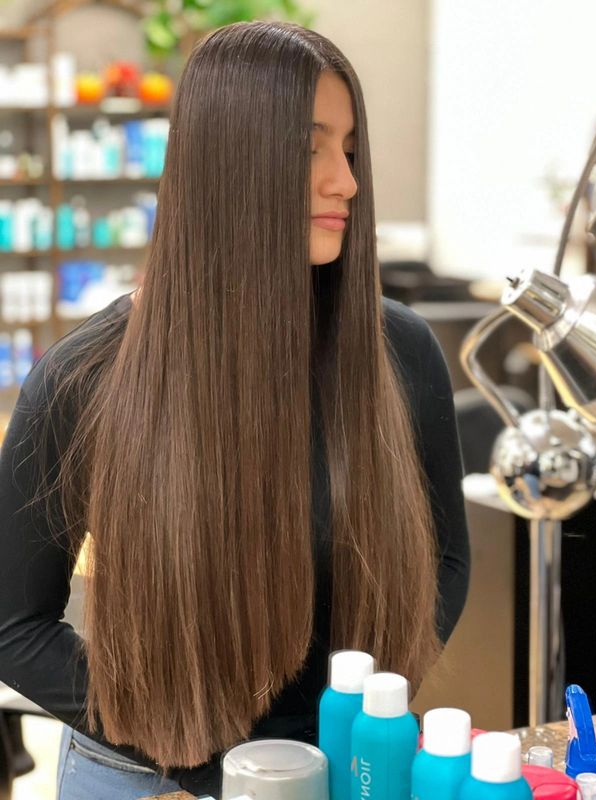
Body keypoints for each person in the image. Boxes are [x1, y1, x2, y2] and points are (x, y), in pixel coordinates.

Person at [0, 20, 469, 800]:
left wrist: (366, 716)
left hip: (346, 765)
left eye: (351, 151)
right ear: (228, 165)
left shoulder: (398, 353)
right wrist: (198, 757)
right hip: (149, 777)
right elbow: (13, 627)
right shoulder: (88, 377)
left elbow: (446, 562)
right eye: (309, 150)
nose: (346, 183)